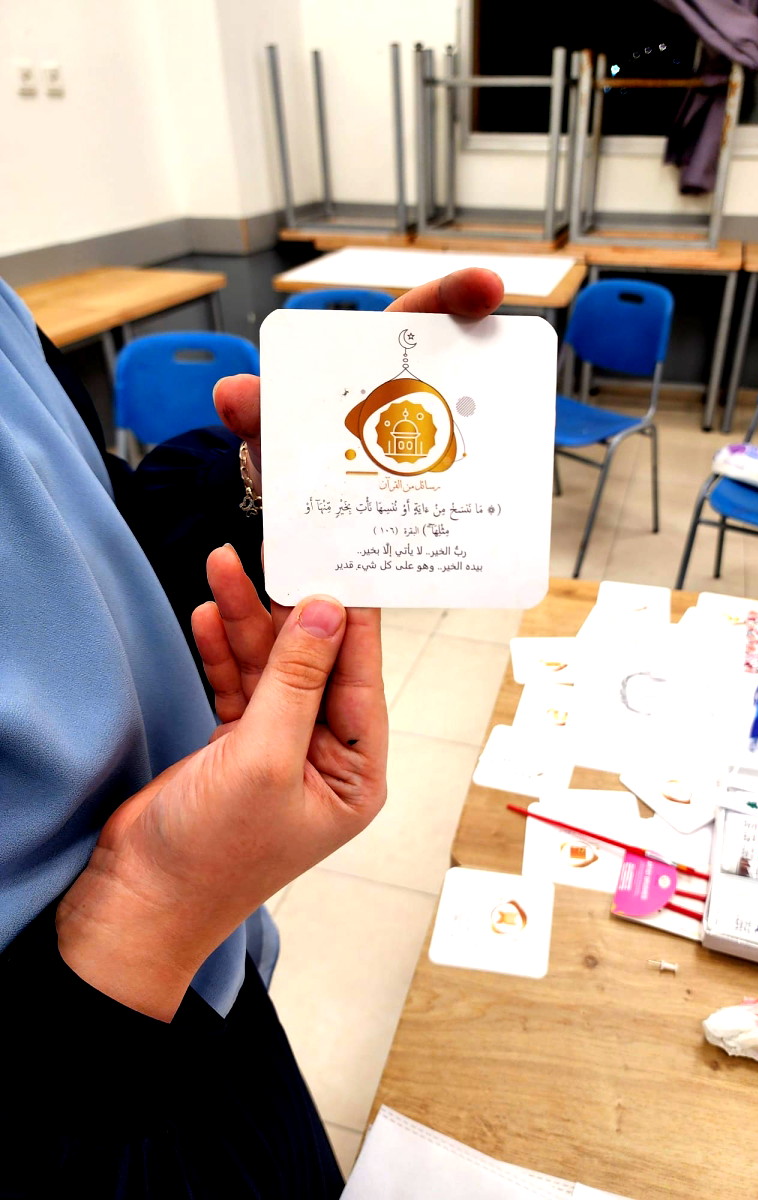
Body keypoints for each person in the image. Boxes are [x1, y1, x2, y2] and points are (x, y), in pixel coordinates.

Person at [0, 267, 505, 1198]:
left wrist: (267, 490)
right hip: (62, 1103)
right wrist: (142, 913)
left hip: (206, 976)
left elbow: (98, 527)